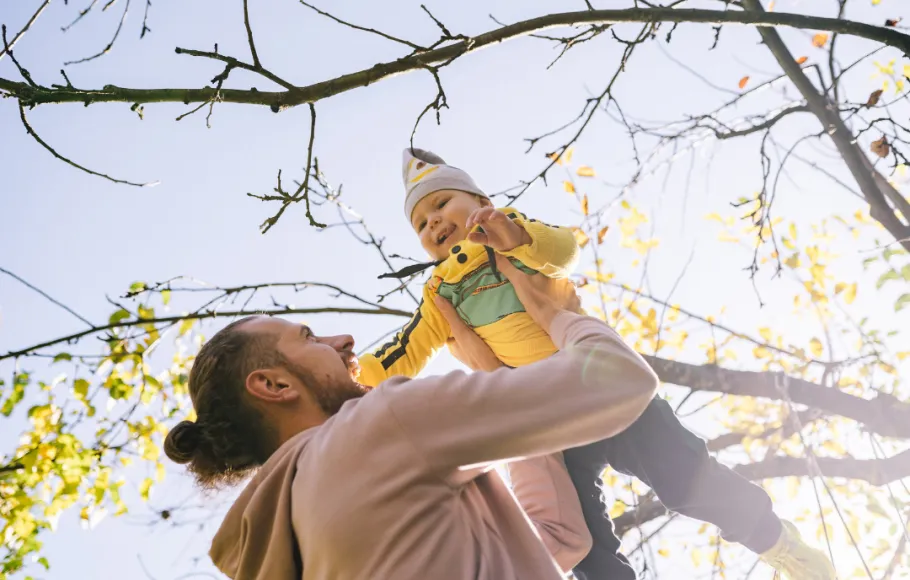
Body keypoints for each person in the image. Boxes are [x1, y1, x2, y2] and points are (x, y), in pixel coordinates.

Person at [355, 147, 837, 580]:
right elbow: (405, 350)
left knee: (683, 478)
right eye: (421, 224)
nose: (433, 223)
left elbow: (564, 249)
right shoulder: (439, 293)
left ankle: (778, 543)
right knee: (577, 543)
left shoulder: (511, 233)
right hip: (546, 424)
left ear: (479, 200)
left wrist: (515, 236)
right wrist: (352, 376)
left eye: (441, 204)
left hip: (593, 382)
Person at [163, 255, 661, 579]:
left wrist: (493, 376)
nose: (344, 341)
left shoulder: (293, 540)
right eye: (309, 338)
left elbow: (554, 541)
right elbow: (618, 379)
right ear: (275, 386)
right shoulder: (377, 425)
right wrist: (553, 312)